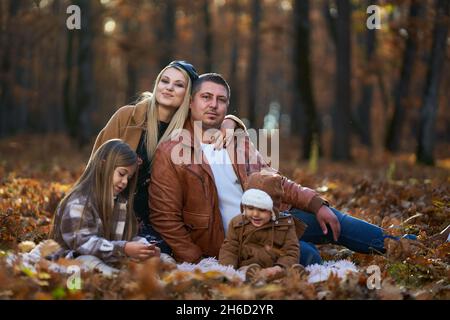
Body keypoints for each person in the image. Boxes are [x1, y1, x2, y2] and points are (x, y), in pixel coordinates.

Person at [149, 73, 448, 266]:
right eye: (206, 97)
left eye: (221, 100)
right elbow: (164, 217)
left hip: (271, 220)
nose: (213, 105)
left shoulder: (238, 141)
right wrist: (197, 259)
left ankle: (414, 248)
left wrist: (315, 202)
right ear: (191, 102)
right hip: (233, 241)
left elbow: (273, 181)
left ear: (228, 106)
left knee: (334, 220)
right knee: (309, 256)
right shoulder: (172, 151)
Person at [90, 61, 246, 253]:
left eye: (179, 85)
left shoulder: (187, 129)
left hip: (153, 221)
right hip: (111, 210)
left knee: (155, 256)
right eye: (165, 81)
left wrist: (230, 123)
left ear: (189, 97)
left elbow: (216, 116)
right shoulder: (128, 117)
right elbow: (96, 164)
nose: (169, 88)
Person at [50, 139, 162, 275]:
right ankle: (116, 278)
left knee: (160, 261)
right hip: (71, 263)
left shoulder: (120, 203)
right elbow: (82, 244)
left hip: (109, 258)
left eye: (129, 177)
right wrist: (124, 248)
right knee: (88, 261)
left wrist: (145, 247)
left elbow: (126, 238)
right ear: (103, 166)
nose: (125, 181)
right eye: (122, 173)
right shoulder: (79, 202)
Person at [219, 171, 305, 282]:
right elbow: (229, 249)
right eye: (250, 208)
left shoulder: (285, 225)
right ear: (244, 206)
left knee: (285, 269)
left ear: (273, 209)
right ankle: (252, 277)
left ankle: (289, 274)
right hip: (248, 265)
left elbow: (291, 249)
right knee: (247, 271)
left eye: (262, 210)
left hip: (275, 264)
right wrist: (228, 268)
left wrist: (281, 266)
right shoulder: (237, 224)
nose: (255, 214)